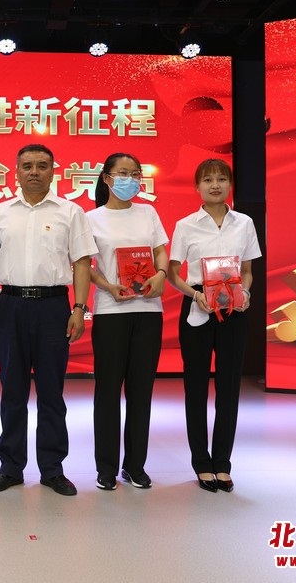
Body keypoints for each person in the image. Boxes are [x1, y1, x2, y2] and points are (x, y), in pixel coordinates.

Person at [0, 144, 97, 497]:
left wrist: (79, 308)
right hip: (11, 305)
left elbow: (82, 262)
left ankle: (52, 469)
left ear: (53, 171)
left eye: (42, 166)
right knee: (12, 391)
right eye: (27, 165)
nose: (34, 172)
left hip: (53, 307)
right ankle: (10, 467)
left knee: (51, 393)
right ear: (15, 171)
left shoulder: (70, 212)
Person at [167, 158, 261, 493]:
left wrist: (245, 292)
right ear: (197, 187)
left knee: (229, 387)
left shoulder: (244, 223)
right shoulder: (185, 225)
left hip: (234, 311)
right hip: (197, 309)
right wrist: (195, 295)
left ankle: (222, 463)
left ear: (230, 184)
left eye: (221, 179)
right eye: (207, 180)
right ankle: (201, 463)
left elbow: (247, 270)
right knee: (195, 386)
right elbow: (173, 273)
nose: (215, 185)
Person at [87, 153, 169, 492]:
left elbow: (161, 250)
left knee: (141, 391)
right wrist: (107, 286)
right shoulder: (91, 218)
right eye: (123, 173)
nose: (131, 180)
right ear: (107, 179)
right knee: (107, 391)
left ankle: (135, 466)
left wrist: (161, 274)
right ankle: (106, 467)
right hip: (110, 310)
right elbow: (83, 265)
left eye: (136, 174)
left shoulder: (148, 213)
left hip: (148, 310)